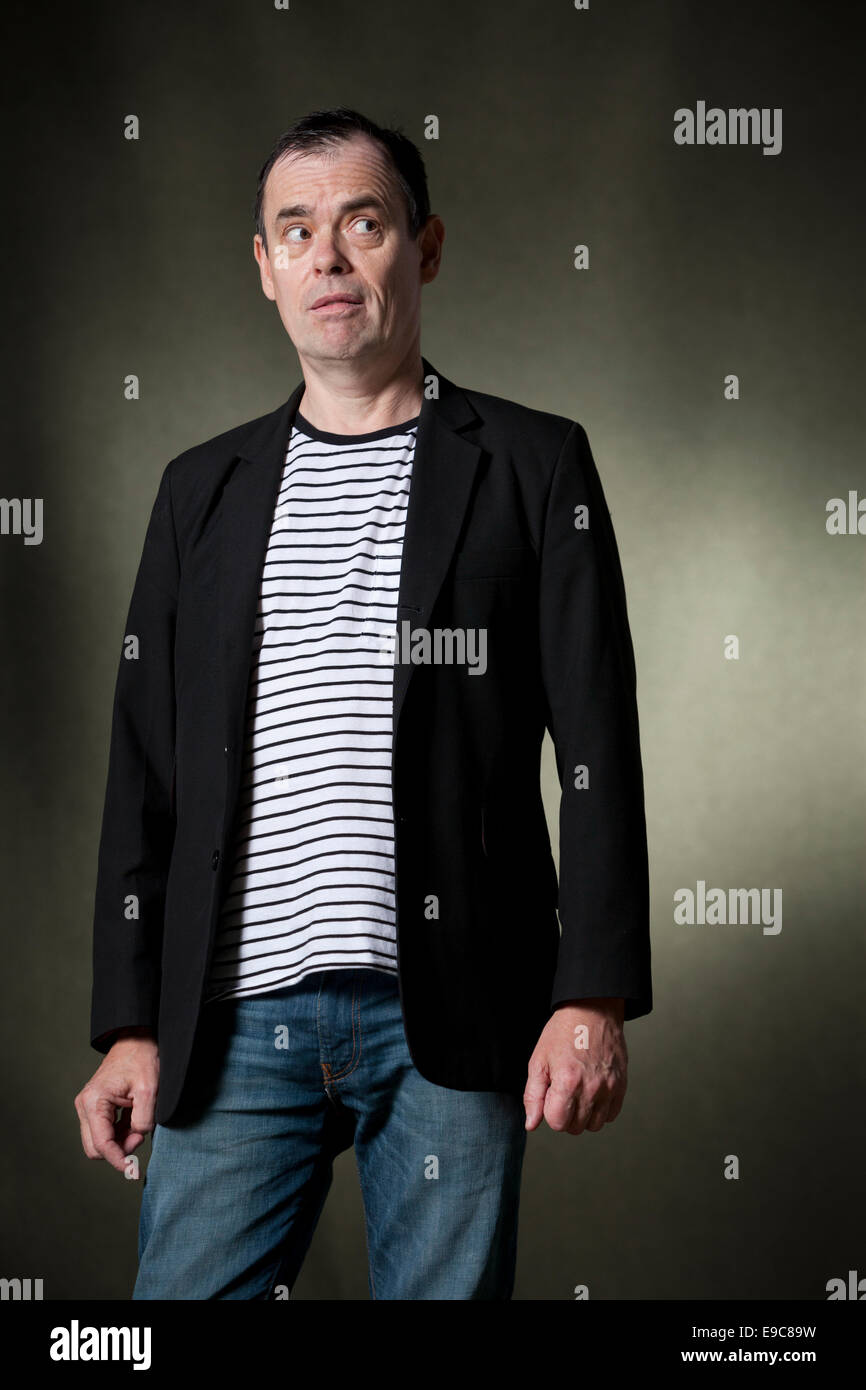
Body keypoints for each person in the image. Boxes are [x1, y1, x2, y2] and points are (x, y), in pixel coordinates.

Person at [74, 107, 652, 1300]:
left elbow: (597, 747)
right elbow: (147, 778)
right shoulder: (200, 492)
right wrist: (130, 1023)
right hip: (230, 1023)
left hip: (455, 1013)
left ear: (424, 248)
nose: (327, 257)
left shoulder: (533, 467)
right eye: (296, 231)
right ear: (265, 268)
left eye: (362, 223)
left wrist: (589, 992)